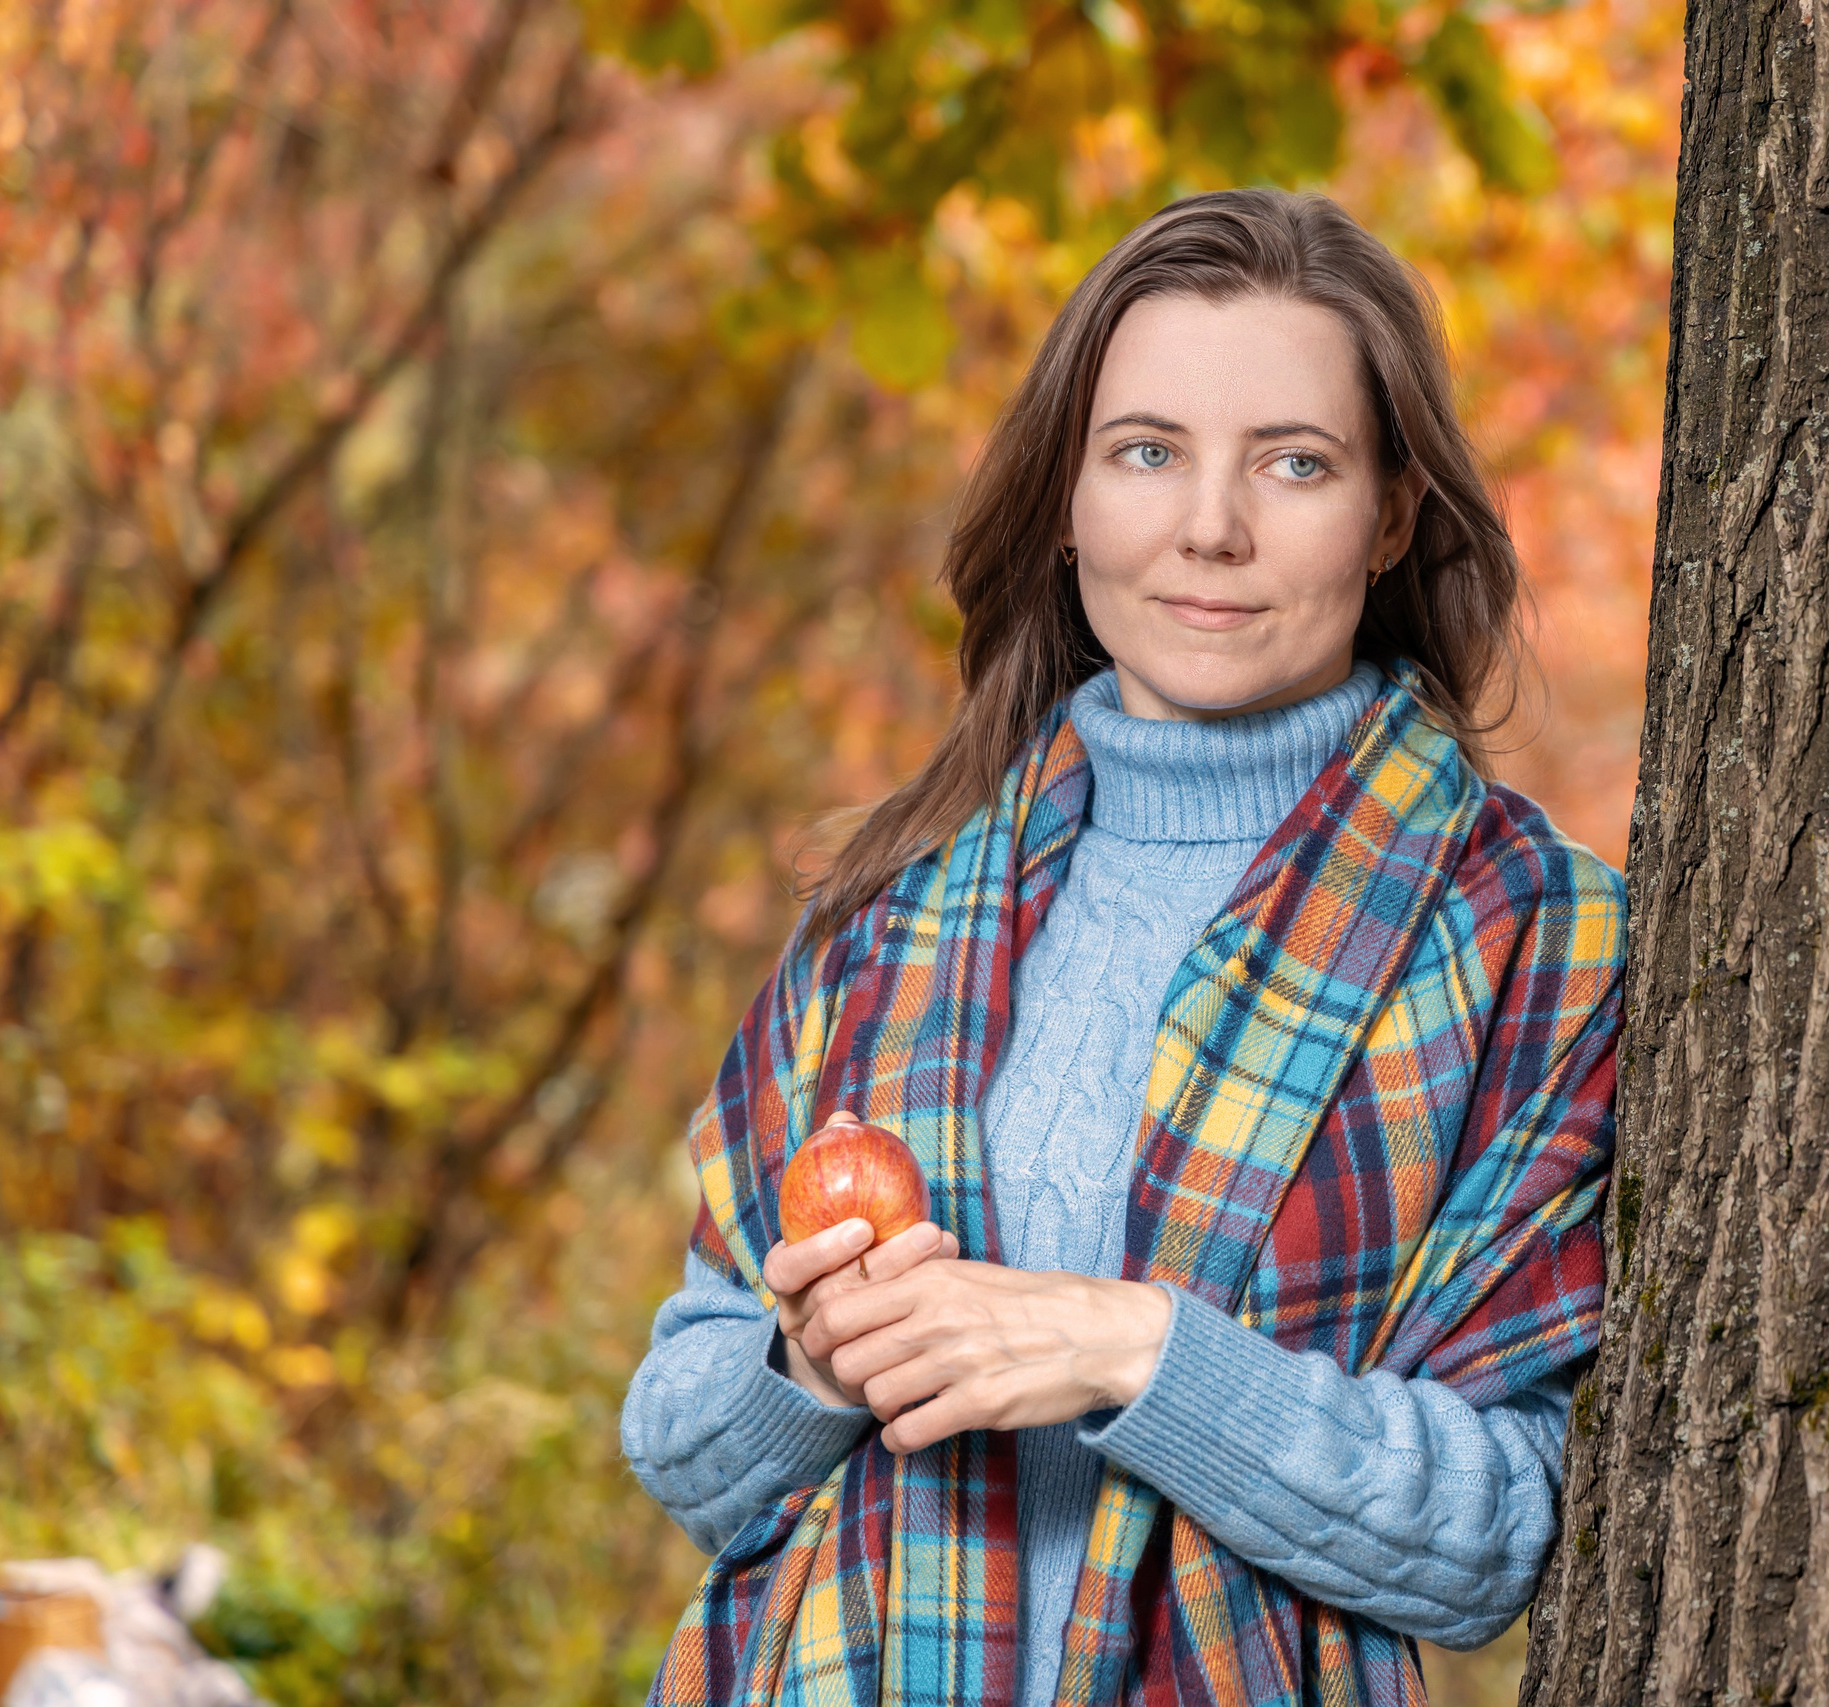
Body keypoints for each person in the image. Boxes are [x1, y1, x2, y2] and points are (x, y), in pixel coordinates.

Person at [620, 187, 1624, 1707]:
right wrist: (818, 1368)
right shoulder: (895, 907)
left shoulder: (1524, 931)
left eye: (1294, 464)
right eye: (1146, 453)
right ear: (1072, 500)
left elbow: (1496, 1537)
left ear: (1394, 514)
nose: (1209, 529)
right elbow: (689, 1446)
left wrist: (1141, 1355)